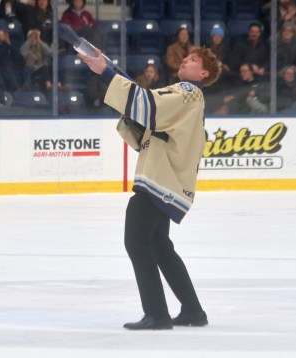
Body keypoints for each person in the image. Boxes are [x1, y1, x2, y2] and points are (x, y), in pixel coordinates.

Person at [78, 46, 221, 330]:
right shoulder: (188, 99)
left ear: (203, 73)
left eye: (193, 60)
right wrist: (132, 110)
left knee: (137, 242)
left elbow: (149, 105)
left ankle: (157, 314)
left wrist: (106, 71)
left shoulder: (187, 92)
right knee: (159, 245)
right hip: (167, 178)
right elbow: (152, 124)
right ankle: (193, 311)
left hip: (160, 180)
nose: (185, 59)